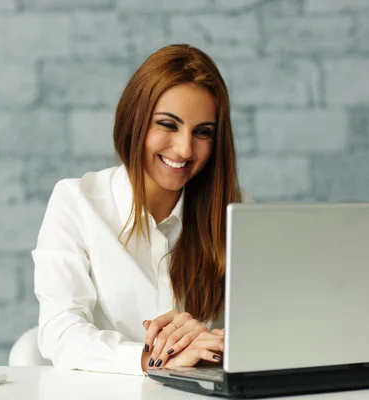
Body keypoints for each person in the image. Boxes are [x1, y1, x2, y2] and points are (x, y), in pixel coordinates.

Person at [33, 43, 253, 376]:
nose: (184, 149)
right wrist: (156, 361)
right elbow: (60, 332)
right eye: (168, 124)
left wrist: (215, 344)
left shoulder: (234, 209)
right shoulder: (76, 202)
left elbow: (262, 324)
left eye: (203, 132)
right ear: (135, 121)